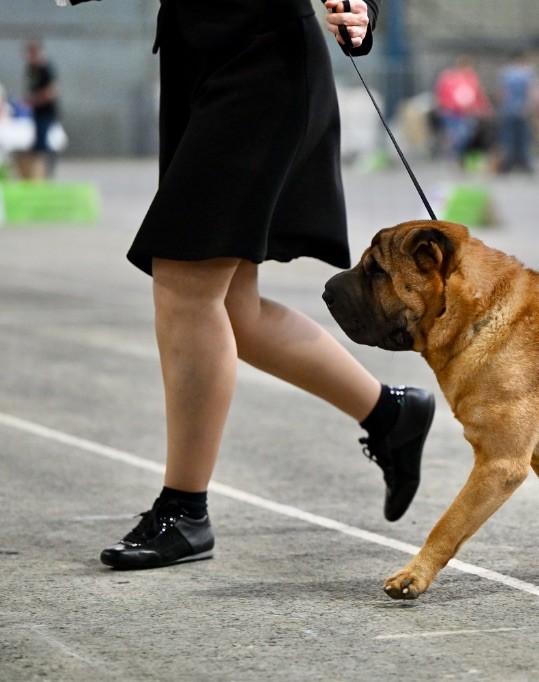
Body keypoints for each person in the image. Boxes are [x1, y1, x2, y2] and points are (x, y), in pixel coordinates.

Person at [63, 0, 435, 569]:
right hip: (198, 61)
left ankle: (185, 509)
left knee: (186, 283)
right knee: (233, 309)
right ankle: (388, 413)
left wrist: (361, 5)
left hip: (262, 63)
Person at [435, 56, 491, 167]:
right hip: (451, 113)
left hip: (466, 114)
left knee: (466, 136)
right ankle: (454, 159)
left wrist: (485, 107)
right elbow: (441, 94)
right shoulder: (449, 78)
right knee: (457, 136)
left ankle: (460, 159)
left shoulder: (472, 79)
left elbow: (478, 95)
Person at [22, 39, 60, 179]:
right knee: (38, 142)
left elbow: (51, 91)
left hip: (46, 111)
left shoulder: (45, 68)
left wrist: (35, 100)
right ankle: (37, 173)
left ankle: (47, 172)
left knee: (43, 143)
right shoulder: (31, 68)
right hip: (36, 111)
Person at [496, 51, 537, 174]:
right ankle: (524, 163)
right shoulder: (527, 73)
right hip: (522, 110)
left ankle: (508, 163)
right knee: (524, 138)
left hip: (508, 110)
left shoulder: (505, 73)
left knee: (508, 138)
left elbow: (502, 93)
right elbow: (531, 92)